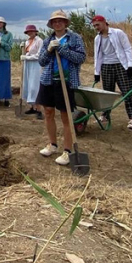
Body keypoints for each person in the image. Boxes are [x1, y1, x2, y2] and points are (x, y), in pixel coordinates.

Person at [36, 10, 87, 166]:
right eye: (54, 21)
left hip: (67, 82)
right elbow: (42, 61)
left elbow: (81, 58)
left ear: (65, 23)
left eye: (60, 21)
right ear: (51, 24)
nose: (57, 23)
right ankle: (52, 144)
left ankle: (67, 151)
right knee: (48, 112)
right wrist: (50, 49)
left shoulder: (75, 38)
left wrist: (63, 50)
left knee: (66, 116)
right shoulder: (48, 40)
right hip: (48, 81)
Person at [92, 15, 132, 130]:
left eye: (98, 25)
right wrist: (96, 72)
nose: (96, 27)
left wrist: (131, 65)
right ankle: (105, 115)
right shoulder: (97, 39)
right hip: (106, 67)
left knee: (127, 92)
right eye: (94, 26)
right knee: (107, 93)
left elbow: (127, 48)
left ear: (104, 22)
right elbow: (98, 56)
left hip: (121, 66)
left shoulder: (118, 33)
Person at [21, 24, 43, 119]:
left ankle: (39, 110)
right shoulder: (27, 42)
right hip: (28, 65)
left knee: (35, 86)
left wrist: (27, 57)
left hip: (36, 65)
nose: (30, 33)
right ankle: (32, 107)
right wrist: (24, 53)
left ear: (35, 31)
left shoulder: (39, 41)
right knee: (29, 85)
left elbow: (39, 55)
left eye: (31, 31)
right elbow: (27, 52)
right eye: (28, 31)